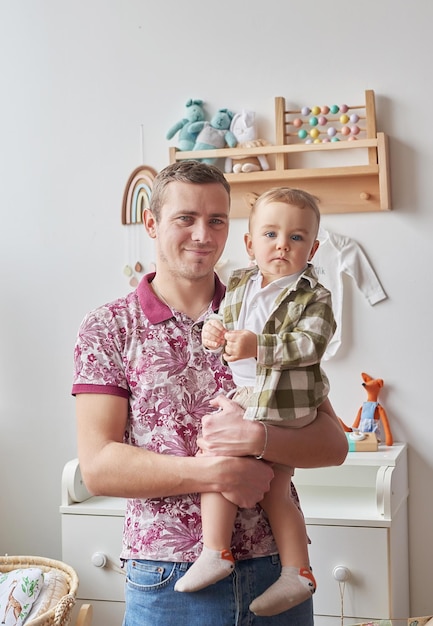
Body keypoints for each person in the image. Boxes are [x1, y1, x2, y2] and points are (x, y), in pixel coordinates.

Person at [72, 160, 348, 626]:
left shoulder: (267, 306)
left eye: (216, 220)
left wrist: (258, 442)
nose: (203, 234)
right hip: (167, 578)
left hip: (273, 572)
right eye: (186, 218)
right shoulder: (109, 327)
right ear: (152, 223)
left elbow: (332, 443)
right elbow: (98, 468)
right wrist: (216, 473)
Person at [174, 187, 336, 617]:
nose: (282, 244)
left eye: (297, 238)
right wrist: (214, 331)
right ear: (250, 244)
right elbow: (224, 324)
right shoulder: (243, 284)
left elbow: (310, 344)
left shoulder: (312, 296)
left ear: (313, 248)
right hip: (248, 396)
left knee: (216, 454)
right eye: (270, 234)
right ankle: (297, 572)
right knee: (275, 489)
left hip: (281, 404)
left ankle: (215, 550)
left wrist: (257, 346)